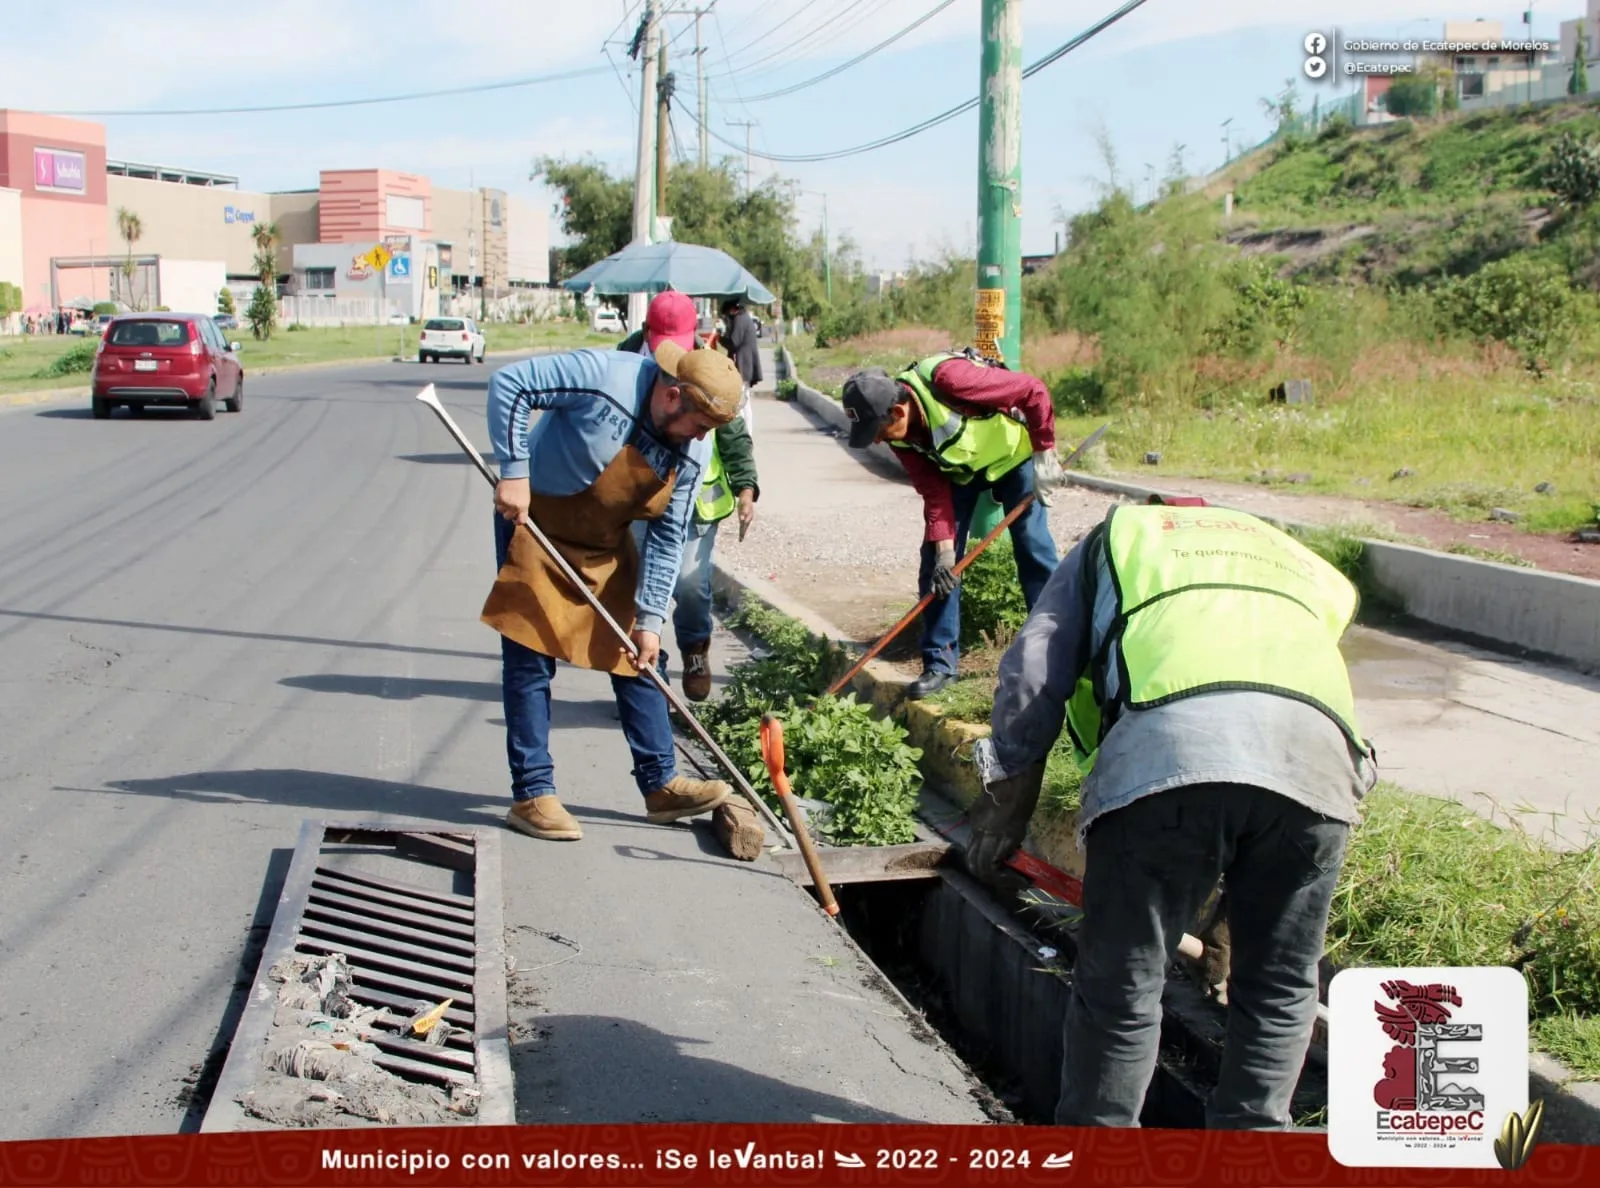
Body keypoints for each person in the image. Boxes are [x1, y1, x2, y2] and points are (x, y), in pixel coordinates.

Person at [964, 501, 1379, 1130]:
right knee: (1278, 987)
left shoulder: (1116, 540)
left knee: (1124, 988)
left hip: (1167, 754)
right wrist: (1241, 913)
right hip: (1319, 765)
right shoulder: (1287, 554)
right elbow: (1269, 702)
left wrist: (1005, 814)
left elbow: (1033, 674)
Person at [483, 335, 747, 842]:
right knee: (530, 654)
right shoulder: (605, 378)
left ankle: (660, 785)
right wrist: (514, 471)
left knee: (640, 655)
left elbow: (670, 534)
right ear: (673, 396)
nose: (699, 438)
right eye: (697, 424)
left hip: (604, 541)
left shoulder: (696, 442)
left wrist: (650, 621)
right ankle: (532, 794)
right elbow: (510, 385)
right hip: (536, 521)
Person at [841, 351, 1063, 699]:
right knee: (936, 566)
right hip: (961, 474)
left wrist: (1044, 450)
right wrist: (946, 554)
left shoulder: (951, 379)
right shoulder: (902, 436)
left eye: (877, 431)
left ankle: (1057, 650)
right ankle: (941, 665)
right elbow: (934, 494)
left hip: (1012, 456)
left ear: (898, 411)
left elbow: (1033, 391)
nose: (879, 441)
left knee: (1033, 547)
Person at [620, 292, 760, 702]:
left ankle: (695, 649)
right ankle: (647, 675)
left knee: (691, 584)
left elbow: (732, 431)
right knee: (641, 583)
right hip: (641, 495)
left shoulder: (712, 368)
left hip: (697, 502)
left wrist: (746, 486)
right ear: (648, 332)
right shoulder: (627, 359)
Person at [720, 298, 762, 430]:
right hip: (747, 366)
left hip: (743, 367)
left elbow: (734, 342)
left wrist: (720, 338)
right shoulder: (745, 318)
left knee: (739, 404)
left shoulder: (740, 319)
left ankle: (742, 435)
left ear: (733, 309)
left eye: (728, 313)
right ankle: (747, 434)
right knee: (745, 403)